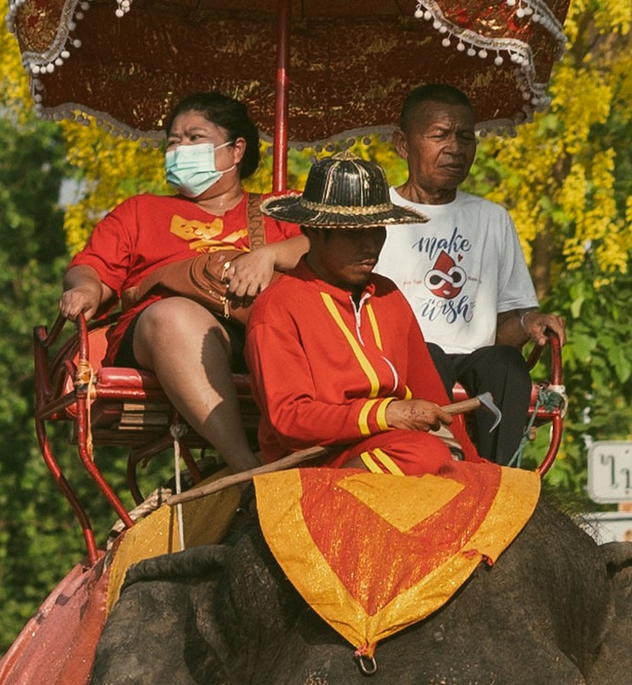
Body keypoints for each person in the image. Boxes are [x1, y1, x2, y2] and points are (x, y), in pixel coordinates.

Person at [57, 91, 305, 473]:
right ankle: (244, 469)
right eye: (173, 141)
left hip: (255, 332)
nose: (180, 149)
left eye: (194, 138)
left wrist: (269, 254)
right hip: (159, 333)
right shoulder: (140, 211)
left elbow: (327, 249)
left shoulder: (280, 208)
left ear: (236, 150)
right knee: (175, 316)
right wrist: (86, 288)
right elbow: (92, 266)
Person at [244, 150, 479, 475]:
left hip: (394, 442)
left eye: (377, 229)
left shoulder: (389, 295)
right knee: (423, 453)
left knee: (456, 462)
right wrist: (386, 414)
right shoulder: (277, 307)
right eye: (354, 233)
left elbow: (434, 397)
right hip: (314, 457)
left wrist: (476, 467)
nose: (370, 245)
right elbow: (290, 419)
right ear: (312, 232)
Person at [377, 82, 560, 468]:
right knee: (430, 355)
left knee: (506, 365)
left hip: (475, 357)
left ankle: (502, 476)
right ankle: (440, 465)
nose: (455, 149)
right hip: (406, 356)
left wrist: (530, 323)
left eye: (465, 137)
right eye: (439, 136)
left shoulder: (492, 218)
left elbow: (506, 328)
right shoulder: (379, 213)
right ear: (403, 145)